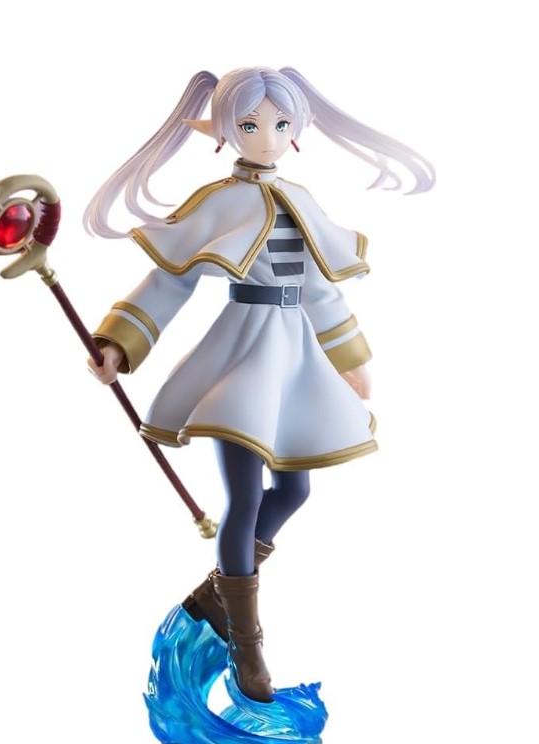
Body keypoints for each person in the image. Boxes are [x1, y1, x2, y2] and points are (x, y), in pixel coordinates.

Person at [83, 66, 434, 702]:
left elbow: (321, 290)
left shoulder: (300, 198)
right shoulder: (218, 201)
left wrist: (351, 358)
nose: (266, 138)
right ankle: (247, 646)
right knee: (244, 500)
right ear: (224, 131)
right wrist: (119, 343)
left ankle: (215, 593)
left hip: (295, 359)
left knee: (294, 489)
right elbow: (169, 283)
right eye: (249, 125)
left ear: (296, 131)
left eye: (279, 125)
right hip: (240, 358)